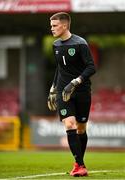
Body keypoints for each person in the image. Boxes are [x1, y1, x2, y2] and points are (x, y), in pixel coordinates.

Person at [47, 12, 96, 177]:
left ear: (65, 25)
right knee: (69, 125)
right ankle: (80, 165)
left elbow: (91, 68)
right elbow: (60, 69)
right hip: (63, 91)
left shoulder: (80, 43)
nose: (51, 28)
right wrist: (53, 88)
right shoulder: (55, 45)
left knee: (81, 129)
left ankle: (78, 163)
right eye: (51, 25)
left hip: (81, 91)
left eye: (54, 25)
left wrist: (75, 82)